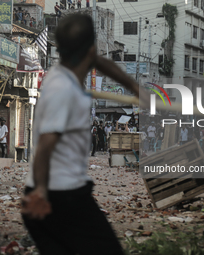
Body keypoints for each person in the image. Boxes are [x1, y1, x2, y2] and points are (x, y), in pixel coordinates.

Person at [21, 14, 143, 255]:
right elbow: (46, 145)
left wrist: (135, 87)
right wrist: (41, 194)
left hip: (58, 193)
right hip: (59, 197)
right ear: (90, 49)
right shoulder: (63, 90)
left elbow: (99, 62)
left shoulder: (63, 70)